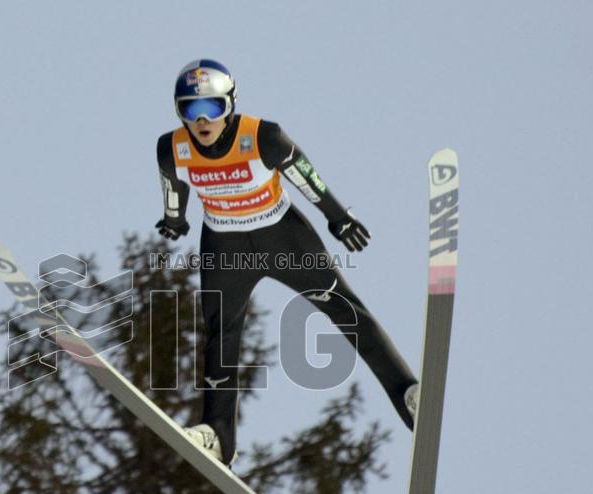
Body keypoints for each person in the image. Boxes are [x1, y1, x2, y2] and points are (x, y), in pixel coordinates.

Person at [155, 59, 418, 465]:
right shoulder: (172, 147)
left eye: (213, 107)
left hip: (282, 237)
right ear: (180, 113)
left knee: (345, 310)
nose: (203, 119)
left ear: (230, 104)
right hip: (226, 247)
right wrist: (175, 219)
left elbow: (306, 176)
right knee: (220, 334)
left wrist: (339, 217)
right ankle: (219, 435)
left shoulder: (264, 137)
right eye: (192, 110)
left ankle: (406, 394)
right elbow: (173, 187)